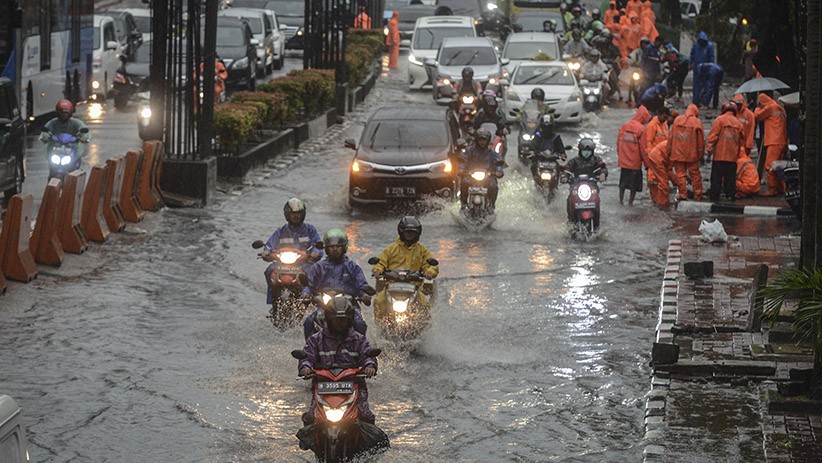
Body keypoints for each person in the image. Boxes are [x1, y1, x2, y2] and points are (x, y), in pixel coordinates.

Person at [298, 299, 378, 426]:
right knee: (310, 418)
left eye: (344, 320)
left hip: (353, 386)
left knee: (365, 415)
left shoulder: (358, 339)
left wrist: (369, 366)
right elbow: (307, 357)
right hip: (323, 386)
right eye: (337, 320)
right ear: (329, 320)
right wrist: (305, 368)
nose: (340, 324)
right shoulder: (316, 339)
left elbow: (367, 355)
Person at [302, 228, 372, 339]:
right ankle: (310, 351)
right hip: (324, 305)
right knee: (309, 322)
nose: (335, 249)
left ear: (344, 247)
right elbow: (309, 285)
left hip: (349, 306)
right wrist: (305, 293)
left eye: (338, 246)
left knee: (359, 324)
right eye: (331, 247)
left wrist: (364, 296)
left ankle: (361, 349)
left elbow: (361, 286)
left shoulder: (352, 267)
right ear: (326, 248)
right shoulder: (318, 267)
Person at [371, 216, 439, 315]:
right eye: (407, 232)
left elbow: (430, 265)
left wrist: (430, 272)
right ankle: (381, 325)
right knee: (378, 302)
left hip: (414, 287)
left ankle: (423, 327)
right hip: (391, 286)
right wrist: (377, 269)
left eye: (412, 233)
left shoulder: (422, 250)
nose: (410, 235)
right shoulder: (391, 249)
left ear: (417, 233)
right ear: (401, 232)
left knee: (424, 305)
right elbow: (381, 262)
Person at [261, 198, 323, 305]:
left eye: (298, 213)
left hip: (304, 263)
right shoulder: (281, 231)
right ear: (287, 214)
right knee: (269, 270)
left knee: (312, 273)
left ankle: (312, 298)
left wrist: (315, 253)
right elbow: (269, 245)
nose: (296, 216)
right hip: (282, 264)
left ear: (303, 214)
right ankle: (272, 299)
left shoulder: (310, 230)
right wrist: (266, 252)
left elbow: (318, 245)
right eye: (293, 213)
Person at [706, 101, 745, 201]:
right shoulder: (738, 123)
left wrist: (709, 151)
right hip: (732, 158)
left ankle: (714, 198)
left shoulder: (719, 120)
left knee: (716, 180)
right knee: (730, 180)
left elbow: (712, 137)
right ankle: (730, 197)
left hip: (719, 156)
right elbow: (741, 141)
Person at [667, 104, 705, 201]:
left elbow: (671, 137)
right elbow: (701, 141)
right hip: (692, 154)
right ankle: (698, 194)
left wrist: (669, 150)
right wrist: (701, 155)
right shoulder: (697, 122)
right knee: (695, 174)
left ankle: (683, 194)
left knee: (680, 174)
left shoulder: (677, 120)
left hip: (678, 153)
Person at [459, 128, 504, 209]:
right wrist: (461, 169)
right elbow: (463, 160)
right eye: (480, 140)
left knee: (493, 186)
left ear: (488, 141)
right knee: (464, 183)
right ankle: (463, 204)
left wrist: (499, 171)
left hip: (488, 177)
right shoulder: (470, 150)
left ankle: (491, 205)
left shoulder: (492, 152)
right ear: (476, 140)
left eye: (484, 140)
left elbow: (498, 162)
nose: (482, 142)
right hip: (470, 176)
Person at [754, 92, 788, 196]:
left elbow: (756, 116)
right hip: (782, 141)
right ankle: (781, 188)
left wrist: (757, 108)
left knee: (770, 166)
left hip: (774, 141)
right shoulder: (779, 108)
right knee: (779, 166)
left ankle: (772, 189)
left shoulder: (769, 108)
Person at [617, 105, 651, 205]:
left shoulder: (624, 126)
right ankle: (630, 202)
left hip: (624, 161)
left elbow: (618, 143)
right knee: (634, 184)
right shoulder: (641, 129)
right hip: (635, 162)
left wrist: (620, 155)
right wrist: (647, 164)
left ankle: (621, 201)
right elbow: (643, 148)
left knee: (622, 182)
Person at [690, 31, 716, 106]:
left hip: (705, 68)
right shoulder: (695, 45)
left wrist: (711, 67)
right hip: (697, 68)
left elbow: (711, 57)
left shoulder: (709, 46)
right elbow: (692, 55)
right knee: (696, 85)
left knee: (705, 85)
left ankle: (703, 100)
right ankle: (695, 101)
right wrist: (690, 63)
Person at [646, 140, 671, 208]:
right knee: (663, 183)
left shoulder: (673, 143)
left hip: (657, 155)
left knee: (660, 182)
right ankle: (662, 204)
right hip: (657, 157)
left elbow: (669, 170)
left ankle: (658, 202)